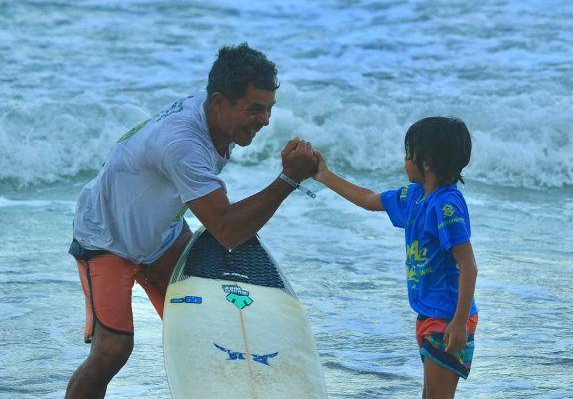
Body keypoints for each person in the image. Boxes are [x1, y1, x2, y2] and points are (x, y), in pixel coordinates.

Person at [65, 43, 318, 399]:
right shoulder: (184, 143)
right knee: (112, 351)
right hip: (107, 238)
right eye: (255, 109)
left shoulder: (220, 118)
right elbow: (227, 229)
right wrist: (288, 180)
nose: (265, 121)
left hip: (163, 234)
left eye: (269, 108)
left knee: (211, 330)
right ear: (218, 102)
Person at [313, 116, 478, 399]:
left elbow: (468, 266)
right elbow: (368, 199)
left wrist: (459, 322)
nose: (404, 161)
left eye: (408, 154)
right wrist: (323, 175)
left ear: (425, 162)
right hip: (429, 313)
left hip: (448, 318)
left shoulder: (446, 207)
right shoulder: (414, 196)